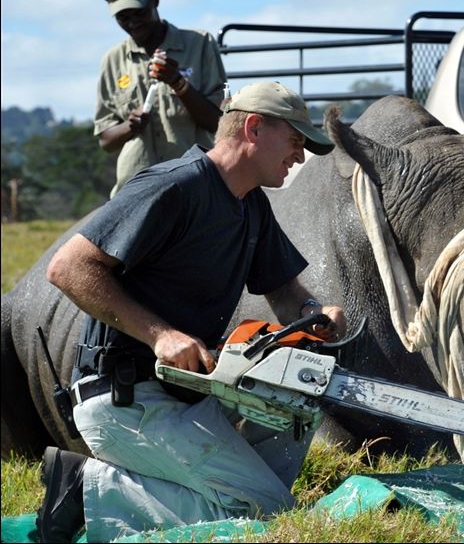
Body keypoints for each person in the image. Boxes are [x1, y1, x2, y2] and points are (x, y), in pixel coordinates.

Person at [38, 81, 347, 542]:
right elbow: (67, 267)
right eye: (296, 141)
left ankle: (240, 495)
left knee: (297, 407)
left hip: (190, 393)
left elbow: (283, 290)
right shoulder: (173, 187)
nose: (300, 156)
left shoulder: (251, 206)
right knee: (262, 510)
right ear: (254, 128)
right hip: (125, 398)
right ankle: (86, 487)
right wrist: (159, 335)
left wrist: (312, 312)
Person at [95, 0, 227, 197]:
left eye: (139, 13)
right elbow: (106, 140)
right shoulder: (112, 61)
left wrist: (178, 82)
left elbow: (218, 123)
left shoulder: (200, 44)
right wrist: (129, 126)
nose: (132, 22)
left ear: (155, 0)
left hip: (194, 183)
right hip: (136, 191)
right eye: (123, 17)